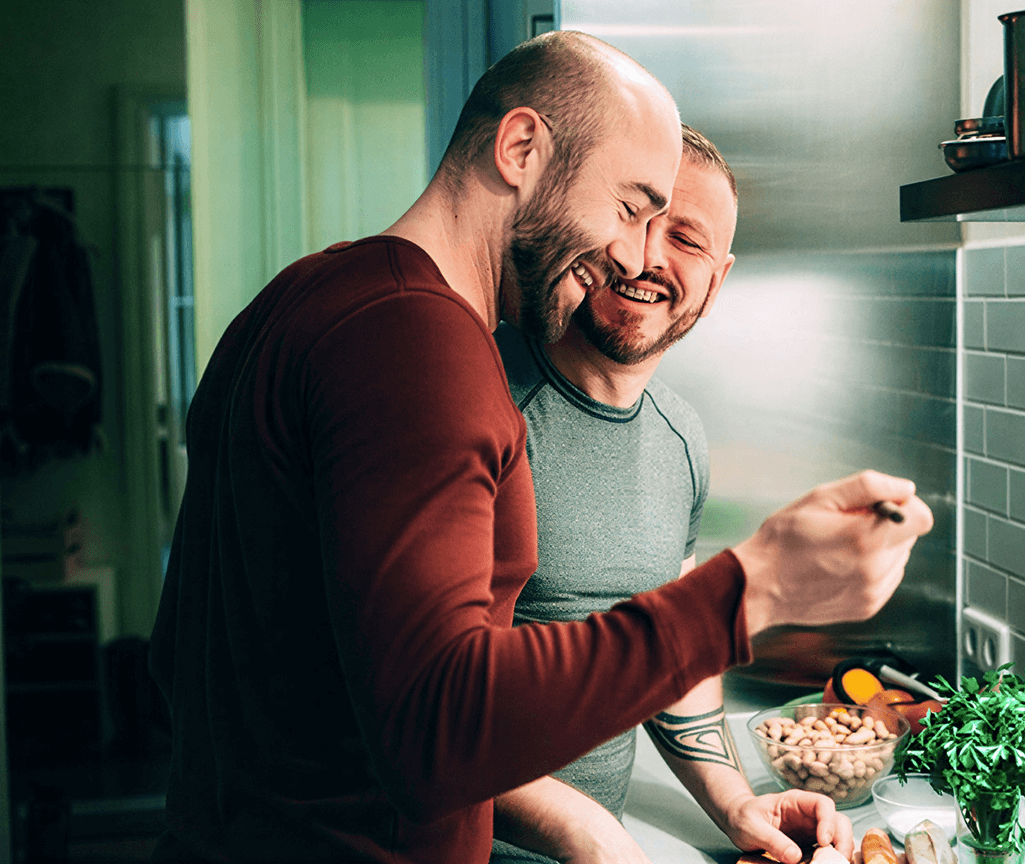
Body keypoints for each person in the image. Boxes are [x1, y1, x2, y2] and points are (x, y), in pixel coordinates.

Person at [149, 30, 932, 864]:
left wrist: (728, 791)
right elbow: (437, 731)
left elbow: (179, 653)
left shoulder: (308, 294)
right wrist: (753, 587)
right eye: (629, 208)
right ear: (521, 147)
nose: (631, 252)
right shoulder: (419, 348)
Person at [490, 126, 854, 864]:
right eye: (634, 218)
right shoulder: (479, 403)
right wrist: (584, 832)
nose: (647, 255)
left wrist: (736, 803)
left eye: (685, 238)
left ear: (716, 282)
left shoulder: (680, 437)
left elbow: (671, 655)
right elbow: (408, 701)